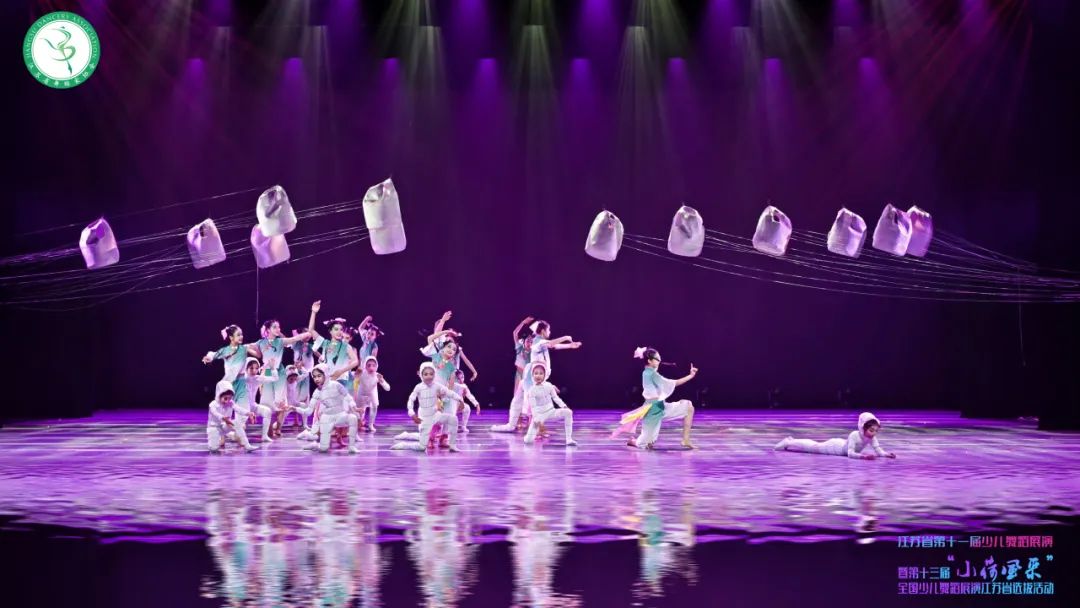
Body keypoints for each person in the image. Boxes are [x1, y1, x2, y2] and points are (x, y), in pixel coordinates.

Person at [612, 347, 698, 450]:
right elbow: (674, 383)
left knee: (688, 407)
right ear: (649, 361)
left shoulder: (648, 372)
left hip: (661, 407)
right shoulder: (651, 374)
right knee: (645, 445)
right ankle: (633, 441)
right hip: (652, 411)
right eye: (657, 359)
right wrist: (691, 376)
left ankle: (686, 440)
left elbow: (655, 371)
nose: (659, 361)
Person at [391, 362, 465, 452]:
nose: (429, 376)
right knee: (422, 447)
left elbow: (449, 392)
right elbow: (411, 400)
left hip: (435, 415)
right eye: (426, 374)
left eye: (431, 374)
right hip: (424, 419)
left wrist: (460, 400)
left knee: (453, 419)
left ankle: (452, 446)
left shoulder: (437, 386)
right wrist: (412, 414)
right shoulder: (418, 387)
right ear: (421, 375)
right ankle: (404, 444)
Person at [774, 412, 897, 459]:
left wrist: (887, 455)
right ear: (862, 427)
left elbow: (878, 450)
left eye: (876, 431)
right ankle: (789, 442)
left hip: (840, 447)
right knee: (812, 447)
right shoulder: (854, 435)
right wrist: (863, 457)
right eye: (871, 430)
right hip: (834, 447)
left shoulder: (871, 437)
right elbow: (850, 454)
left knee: (812, 446)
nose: (874, 433)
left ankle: (791, 441)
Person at [303, 363, 360, 454]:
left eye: (319, 376)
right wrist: (293, 408)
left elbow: (347, 396)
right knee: (323, 448)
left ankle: (351, 447)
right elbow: (309, 411)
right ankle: (313, 442)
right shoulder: (317, 392)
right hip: (327, 418)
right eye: (314, 377)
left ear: (325, 374)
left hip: (339, 415)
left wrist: (354, 407)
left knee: (352, 418)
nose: (316, 379)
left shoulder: (336, 385)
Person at [522, 362, 576, 446]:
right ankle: (527, 437)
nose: (538, 376)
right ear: (532, 375)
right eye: (536, 373)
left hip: (551, 411)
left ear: (544, 375)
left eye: (541, 373)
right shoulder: (531, 390)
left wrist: (564, 406)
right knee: (528, 441)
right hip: (540, 415)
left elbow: (555, 398)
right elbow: (533, 407)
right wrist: (538, 421)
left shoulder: (549, 385)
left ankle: (569, 439)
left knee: (568, 412)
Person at [207, 380, 258, 453]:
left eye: (230, 398)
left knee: (236, 423)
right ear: (219, 395)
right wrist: (223, 418)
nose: (227, 401)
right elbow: (215, 413)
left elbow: (238, 409)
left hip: (224, 426)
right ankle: (230, 435)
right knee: (213, 449)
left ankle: (247, 445)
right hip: (214, 427)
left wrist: (249, 413)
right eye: (225, 398)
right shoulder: (213, 404)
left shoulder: (230, 403)